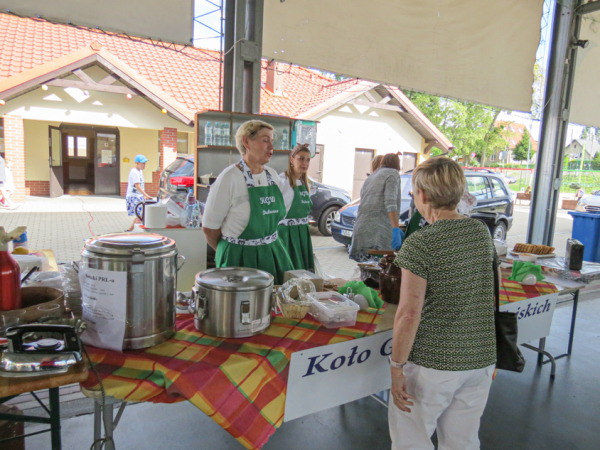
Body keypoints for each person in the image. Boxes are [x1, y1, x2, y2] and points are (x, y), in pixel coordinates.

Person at [388, 156, 496, 450]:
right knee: (463, 442)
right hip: (480, 359)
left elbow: (409, 314)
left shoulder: (422, 242)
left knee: (412, 440)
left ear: (423, 195)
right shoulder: (480, 232)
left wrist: (396, 369)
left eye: (413, 192)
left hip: (433, 364)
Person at [202, 120, 293, 284]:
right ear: (246, 141)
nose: (271, 147)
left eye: (272, 142)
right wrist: (233, 249)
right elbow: (209, 229)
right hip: (240, 258)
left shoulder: (272, 176)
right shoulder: (229, 178)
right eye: (265, 140)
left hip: (273, 253)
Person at [349, 153, 403, 262]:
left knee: (366, 273)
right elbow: (390, 203)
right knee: (379, 273)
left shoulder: (372, 176)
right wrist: (396, 228)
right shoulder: (393, 174)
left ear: (383, 162)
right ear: (397, 164)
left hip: (361, 231)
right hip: (377, 234)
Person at [278, 144, 314, 272]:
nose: (305, 163)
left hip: (302, 234)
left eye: (308, 160)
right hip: (286, 236)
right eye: (301, 158)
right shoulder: (282, 181)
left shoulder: (305, 183)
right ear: (291, 160)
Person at [126, 155, 152, 231]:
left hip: (138, 196)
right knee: (140, 215)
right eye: (142, 163)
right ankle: (132, 231)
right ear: (137, 163)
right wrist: (146, 194)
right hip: (134, 196)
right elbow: (137, 185)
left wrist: (143, 195)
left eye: (145, 163)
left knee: (140, 215)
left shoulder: (139, 171)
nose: (144, 165)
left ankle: (130, 230)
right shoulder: (134, 172)